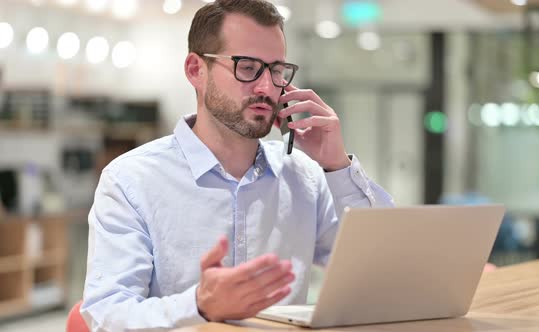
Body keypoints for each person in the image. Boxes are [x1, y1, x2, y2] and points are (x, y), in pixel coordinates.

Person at [80, 0, 393, 330]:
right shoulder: (131, 180)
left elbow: (385, 270)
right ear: (195, 70)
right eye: (247, 67)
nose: (267, 88)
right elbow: (107, 316)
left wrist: (336, 166)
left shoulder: (304, 176)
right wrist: (199, 304)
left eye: (276, 70)